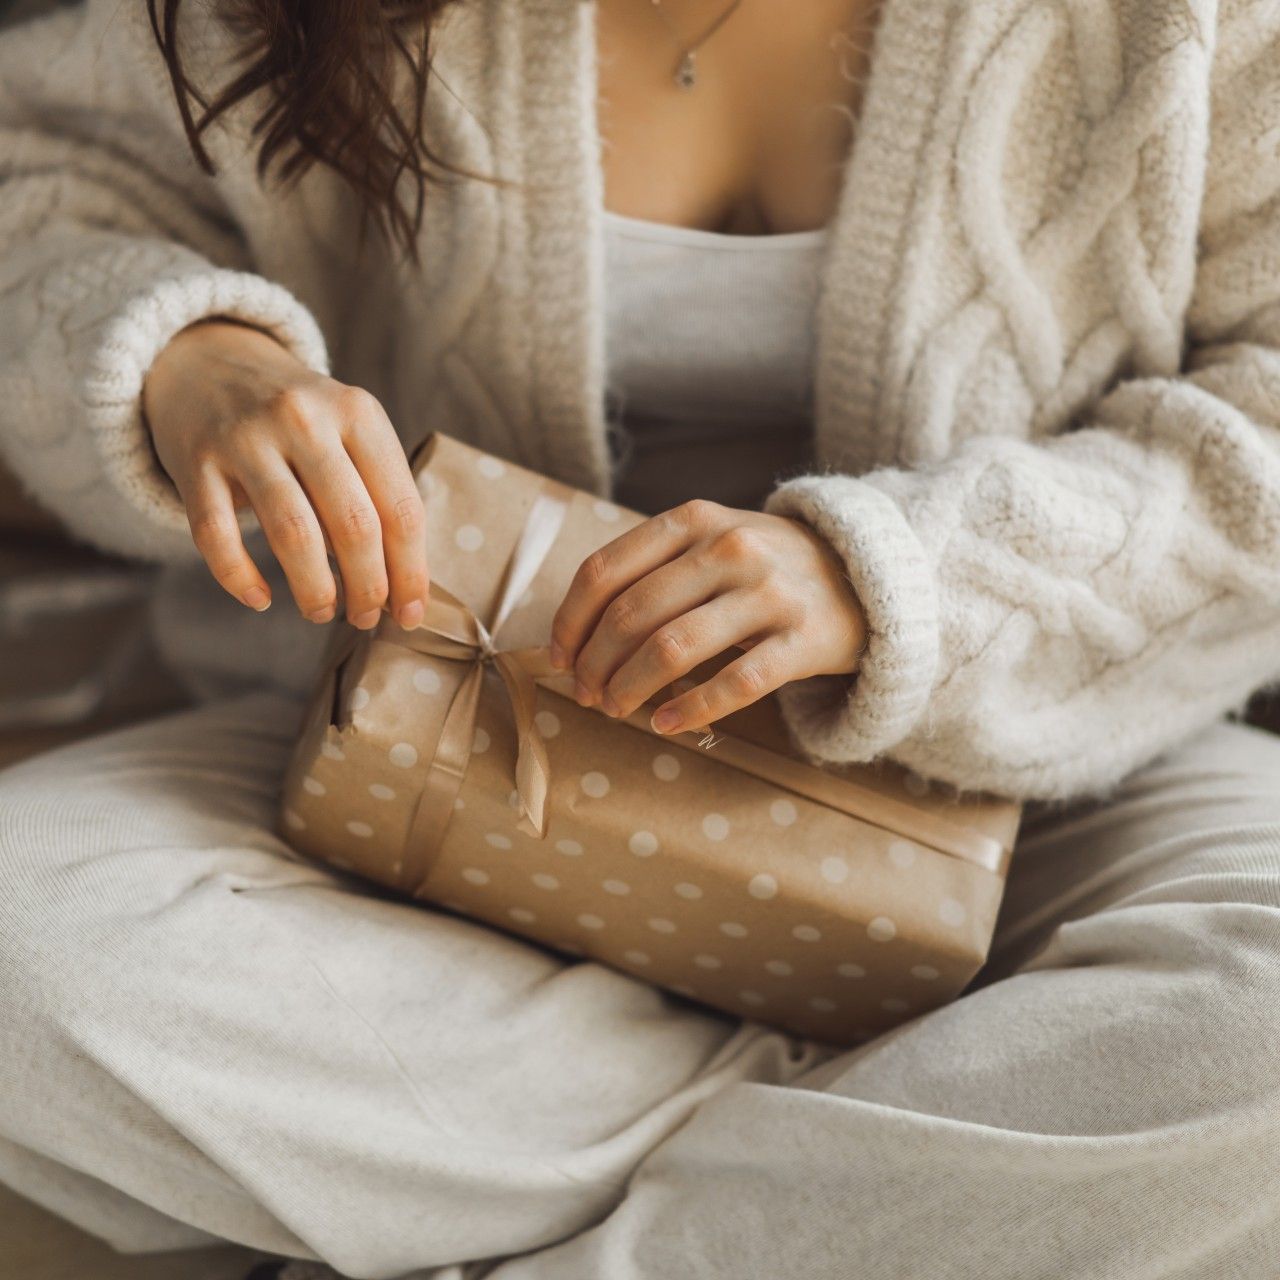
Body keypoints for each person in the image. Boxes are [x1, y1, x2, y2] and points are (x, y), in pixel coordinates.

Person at [2, 0, 1280, 1276]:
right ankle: (929, 1120)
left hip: (1036, 777)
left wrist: (903, 578)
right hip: (421, 768)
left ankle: (482, 1185)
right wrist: (188, 359)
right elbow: (37, 176)